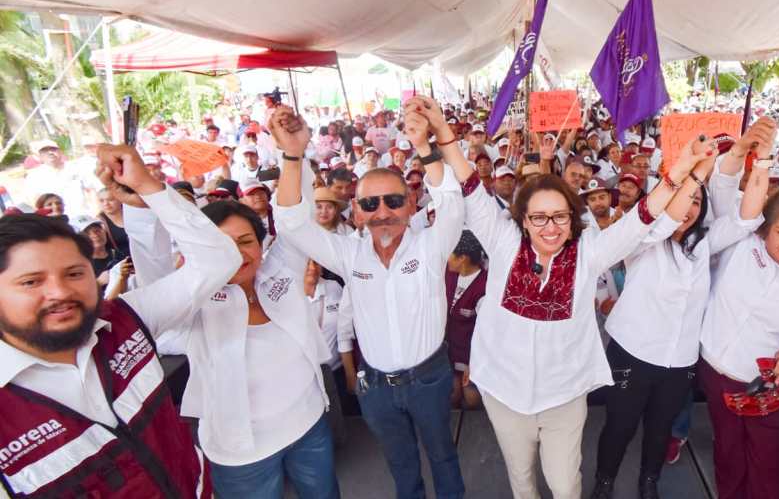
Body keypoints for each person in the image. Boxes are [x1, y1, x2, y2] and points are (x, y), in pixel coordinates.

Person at [420, 94, 712, 499]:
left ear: (572, 220)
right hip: (505, 393)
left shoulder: (589, 253)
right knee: (522, 482)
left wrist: (683, 171)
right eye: (538, 217)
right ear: (523, 219)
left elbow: (644, 217)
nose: (550, 227)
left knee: (565, 484)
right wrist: (444, 134)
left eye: (559, 216)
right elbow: (470, 185)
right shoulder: (503, 242)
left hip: (564, 396)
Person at [0, 143, 241, 498]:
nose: (60, 292)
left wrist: (149, 189)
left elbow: (218, 260)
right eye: (31, 282)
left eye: (74, 273)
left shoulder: (126, 319)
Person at [271, 100, 466, 499]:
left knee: (443, 457)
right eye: (369, 204)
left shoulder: (431, 247)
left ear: (411, 205)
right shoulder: (348, 254)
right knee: (400, 465)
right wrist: (293, 154)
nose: (382, 212)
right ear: (356, 213)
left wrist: (425, 146)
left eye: (393, 201)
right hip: (374, 385)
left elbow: (452, 203)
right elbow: (291, 223)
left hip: (429, 378)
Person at [118, 166, 341, 498]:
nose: (236, 254)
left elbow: (297, 213)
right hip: (242, 452)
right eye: (220, 246)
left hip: (309, 424)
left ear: (261, 242)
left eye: (245, 241)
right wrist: (141, 205)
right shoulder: (194, 299)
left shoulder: (281, 269)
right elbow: (154, 269)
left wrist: (293, 156)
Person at [592, 118, 778, 499]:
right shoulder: (642, 239)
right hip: (633, 353)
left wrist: (762, 159)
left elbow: (748, 215)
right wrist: (696, 174)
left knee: (660, 430)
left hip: (679, 361)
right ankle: (604, 483)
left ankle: (649, 482)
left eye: (697, 202)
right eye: (686, 199)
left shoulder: (705, 243)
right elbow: (665, 219)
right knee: (620, 426)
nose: (690, 208)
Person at [698, 176, 779, 499]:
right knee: (728, 457)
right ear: (764, 229)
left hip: (772, 391)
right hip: (717, 374)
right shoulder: (741, 245)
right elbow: (722, 193)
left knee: (769, 470)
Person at [445, 230, 487, 410]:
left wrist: (472, 364)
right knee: (451, 396)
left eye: (450, 253)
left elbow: (485, 331)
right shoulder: (448, 274)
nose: (446, 258)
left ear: (462, 258)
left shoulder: (485, 286)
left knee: (471, 399)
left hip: (472, 353)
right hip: (449, 350)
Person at [98, 187, 131, 257]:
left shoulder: (132, 212)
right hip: (125, 262)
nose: (106, 203)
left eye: (110, 199)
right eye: (101, 201)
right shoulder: (99, 223)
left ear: (120, 199)